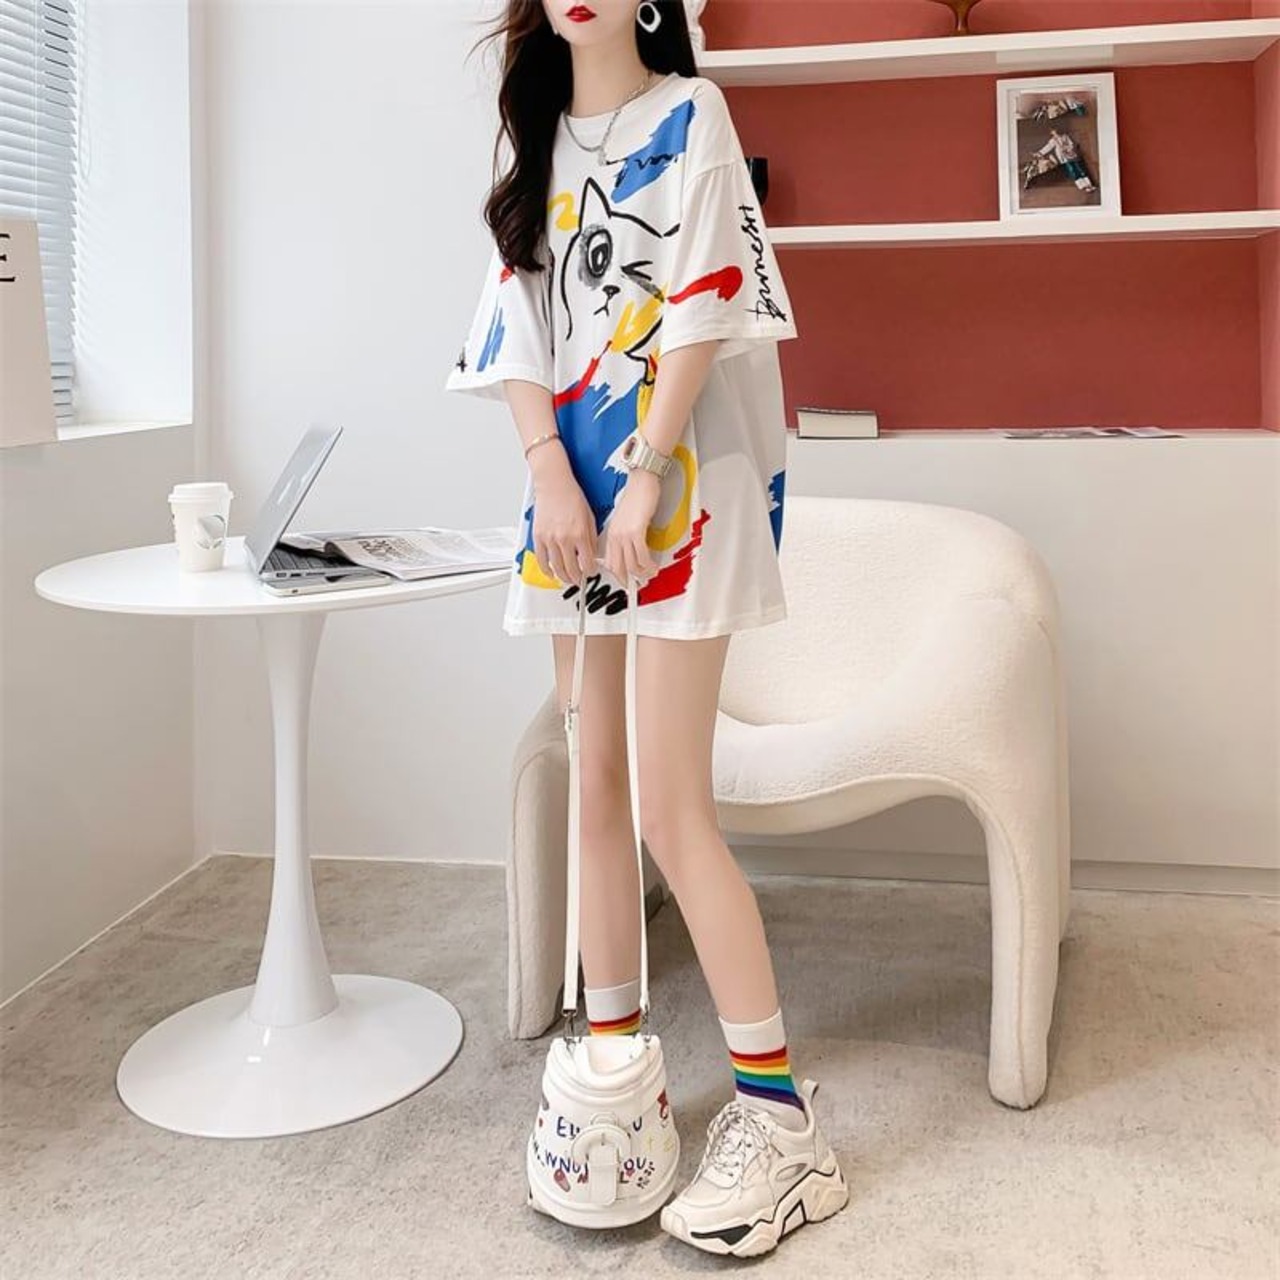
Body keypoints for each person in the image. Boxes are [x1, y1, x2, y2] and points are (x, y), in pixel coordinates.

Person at [444, 0, 848, 1257]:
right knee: (594, 784)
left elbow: (704, 300)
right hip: (569, 490)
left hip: (679, 487)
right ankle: (617, 1076)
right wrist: (551, 476)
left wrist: (645, 473)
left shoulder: (692, 113)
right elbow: (516, 324)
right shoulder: (531, 136)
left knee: (672, 805)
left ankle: (782, 1124)